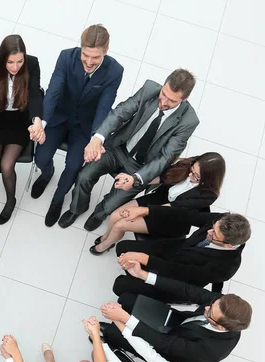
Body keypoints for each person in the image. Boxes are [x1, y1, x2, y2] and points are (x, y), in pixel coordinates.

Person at [58, 69, 200, 231]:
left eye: (172, 101)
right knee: (84, 176)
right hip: (118, 148)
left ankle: (99, 214)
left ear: (185, 99)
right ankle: (77, 209)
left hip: (142, 166)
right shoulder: (149, 89)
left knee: (113, 203)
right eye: (164, 94)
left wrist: (137, 178)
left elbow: (165, 157)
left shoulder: (189, 121)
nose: (164, 102)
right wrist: (98, 138)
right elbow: (120, 112)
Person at [29, 24, 124, 227]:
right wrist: (42, 122)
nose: (89, 62)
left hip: (85, 125)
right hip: (58, 117)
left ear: (105, 52)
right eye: (85, 55)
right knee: (41, 157)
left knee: (73, 167)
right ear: (80, 48)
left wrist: (96, 139)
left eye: (95, 58)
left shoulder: (115, 71)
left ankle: (57, 199)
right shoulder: (66, 57)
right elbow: (54, 90)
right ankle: (47, 174)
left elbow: (104, 106)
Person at [98, 261, 252, 362]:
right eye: (211, 304)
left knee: (113, 332)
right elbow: (186, 290)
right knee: (127, 299)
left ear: (221, 326)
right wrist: (143, 275)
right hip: (177, 324)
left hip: (169, 353)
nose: (206, 307)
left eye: (210, 313)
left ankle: (112, 340)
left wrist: (125, 318)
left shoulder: (213, 349)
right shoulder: (221, 304)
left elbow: (163, 344)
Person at [91, 152, 226, 255]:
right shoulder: (186, 165)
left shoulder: (208, 195)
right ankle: (107, 238)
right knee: (115, 216)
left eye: (197, 176)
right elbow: (162, 177)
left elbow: (174, 208)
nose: (190, 175)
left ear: (208, 179)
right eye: (192, 170)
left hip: (172, 218)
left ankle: (104, 245)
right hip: (160, 199)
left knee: (120, 225)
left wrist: (141, 211)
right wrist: (135, 181)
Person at [0, 35, 45, 224]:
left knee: (7, 166)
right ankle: (9, 194)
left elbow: (34, 95)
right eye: (10, 62)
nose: (16, 67)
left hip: (20, 119)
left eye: (19, 61)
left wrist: (37, 119)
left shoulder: (32, 63)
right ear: (2, 59)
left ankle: (10, 200)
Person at [114, 210, 251, 300]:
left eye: (214, 234)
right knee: (122, 247)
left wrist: (143, 259)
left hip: (178, 280)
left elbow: (178, 271)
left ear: (229, 245)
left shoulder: (225, 267)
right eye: (213, 227)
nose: (208, 231)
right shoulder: (222, 220)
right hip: (178, 248)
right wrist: (145, 210)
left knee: (120, 285)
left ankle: (140, 277)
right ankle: (138, 273)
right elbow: (187, 215)